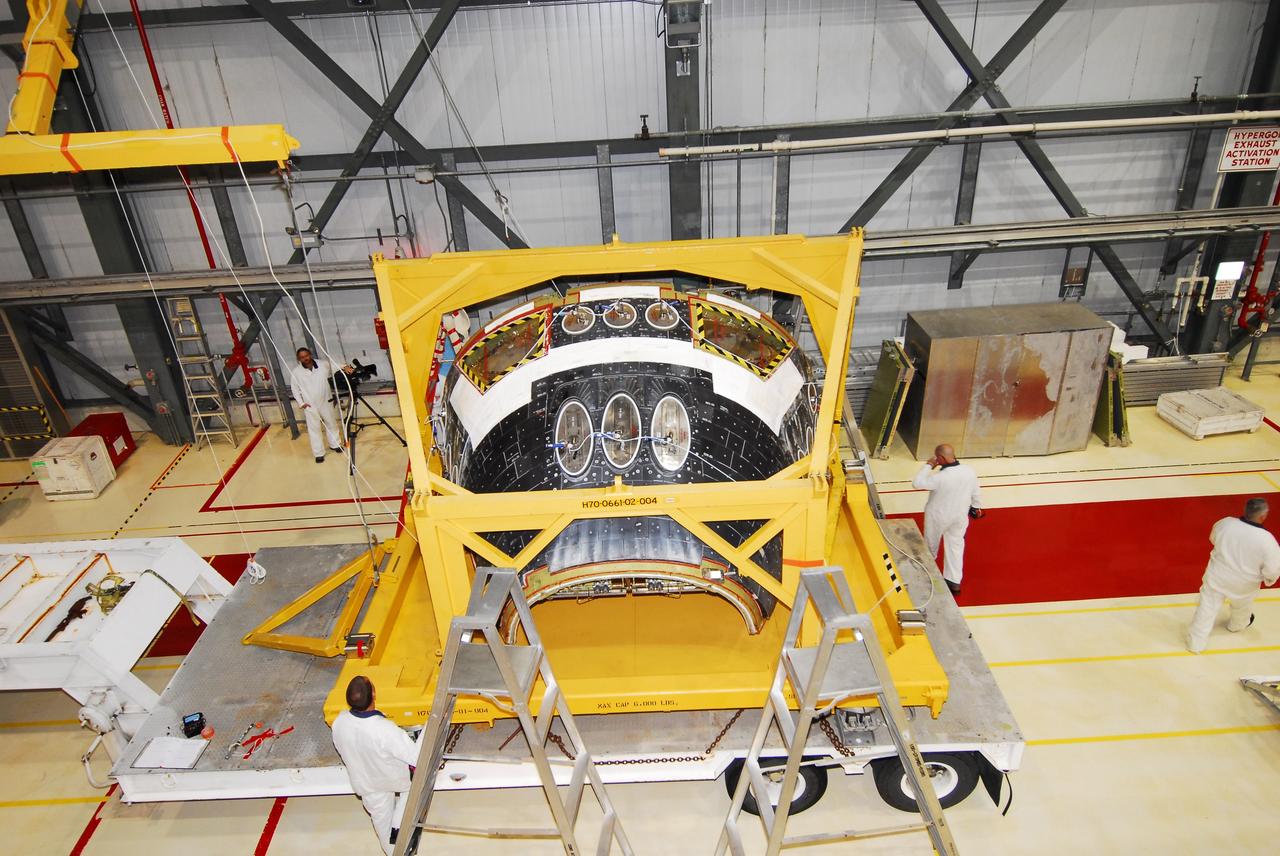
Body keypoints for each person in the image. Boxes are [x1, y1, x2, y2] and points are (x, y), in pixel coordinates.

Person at [331, 676, 420, 855]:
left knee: (383, 829)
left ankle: (394, 850)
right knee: (412, 793)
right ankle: (399, 828)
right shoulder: (384, 729)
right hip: (394, 780)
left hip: (366, 784)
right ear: (373, 694)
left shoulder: (339, 722)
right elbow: (416, 757)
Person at [1186, 498, 1280, 653]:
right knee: (1242, 607)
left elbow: (1213, 538)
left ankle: (1195, 644)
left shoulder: (1225, 523)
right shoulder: (1268, 540)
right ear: (1263, 516)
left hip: (1218, 576)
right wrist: (1269, 579)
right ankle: (1236, 626)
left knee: (1206, 608)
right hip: (1245, 583)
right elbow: (1272, 569)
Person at [912, 443, 983, 596]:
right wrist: (977, 507)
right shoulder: (969, 471)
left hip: (938, 516)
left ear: (941, 458)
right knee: (956, 547)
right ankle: (954, 582)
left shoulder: (940, 477)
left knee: (931, 547)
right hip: (960, 516)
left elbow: (917, 483)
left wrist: (928, 466)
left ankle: (927, 575)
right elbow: (976, 491)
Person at [289, 347, 353, 463]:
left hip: (325, 401)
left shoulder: (323, 364)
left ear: (310, 354)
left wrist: (345, 366)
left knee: (331, 423)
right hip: (309, 405)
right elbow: (294, 389)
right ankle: (319, 453)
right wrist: (301, 403)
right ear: (299, 359)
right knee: (314, 429)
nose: (305, 358)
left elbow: (335, 365)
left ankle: (335, 444)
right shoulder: (296, 372)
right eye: (302, 357)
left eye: (306, 355)